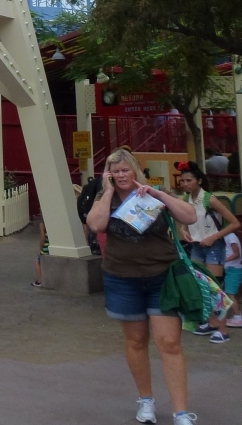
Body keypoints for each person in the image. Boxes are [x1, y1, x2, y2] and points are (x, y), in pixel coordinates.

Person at [86, 147, 200, 425]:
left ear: (135, 169)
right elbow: (95, 224)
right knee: (136, 341)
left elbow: (189, 216)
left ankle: (181, 412)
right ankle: (146, 400)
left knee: (169, 342)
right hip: (122, 278)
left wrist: (158, 195)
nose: (121, 175)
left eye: (125, 169)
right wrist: (109, 192)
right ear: (108, 175)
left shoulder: (155, 193)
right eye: (115, 171)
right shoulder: (105, 198)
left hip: (161, 276)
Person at [178, 162, 239, 342]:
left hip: (214, 246)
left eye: (189, 180)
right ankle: (211, 322)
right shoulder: (186, 199)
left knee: (214, 288)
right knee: (201, 286)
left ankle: (223, 329)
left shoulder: (209, 199)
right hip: (197, 246)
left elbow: (234, 223)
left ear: (199, 181)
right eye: (183, 181)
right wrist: (184, 230)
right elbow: (185, 220)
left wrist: (213, 237)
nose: (185, 184)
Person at [223, 231, 241, 329]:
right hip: (231, 269)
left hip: (234, 269)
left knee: (230, 294)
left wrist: (224, 260)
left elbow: (236, 253)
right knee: (230, 293)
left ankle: (238, 317)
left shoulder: (230, 236)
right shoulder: (228, 236)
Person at [32, 221, 48, 287]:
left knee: (37, 261)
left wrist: (40, 248)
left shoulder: (42, 223)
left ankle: (39, 281)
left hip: (46, 247)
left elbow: (42, 237)